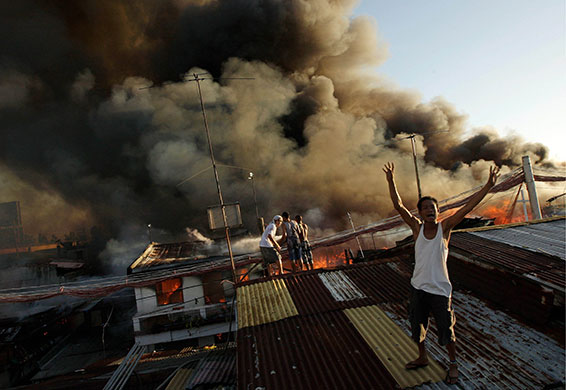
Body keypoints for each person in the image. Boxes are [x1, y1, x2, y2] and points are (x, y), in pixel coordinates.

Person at [383, 162, 499, 385]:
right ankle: (422, 357)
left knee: (447, 330)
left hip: (440, 290)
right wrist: (391, 181)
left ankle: (453, 364)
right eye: (425, 207)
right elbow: (398, 206)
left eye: (433, 208)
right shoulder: (416, 228)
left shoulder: (444, 229)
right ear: (420, 212)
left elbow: (466, 208)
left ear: (438, 211)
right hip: (418, 287)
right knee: (417, 326)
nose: (429, 210)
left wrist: (488, 186)